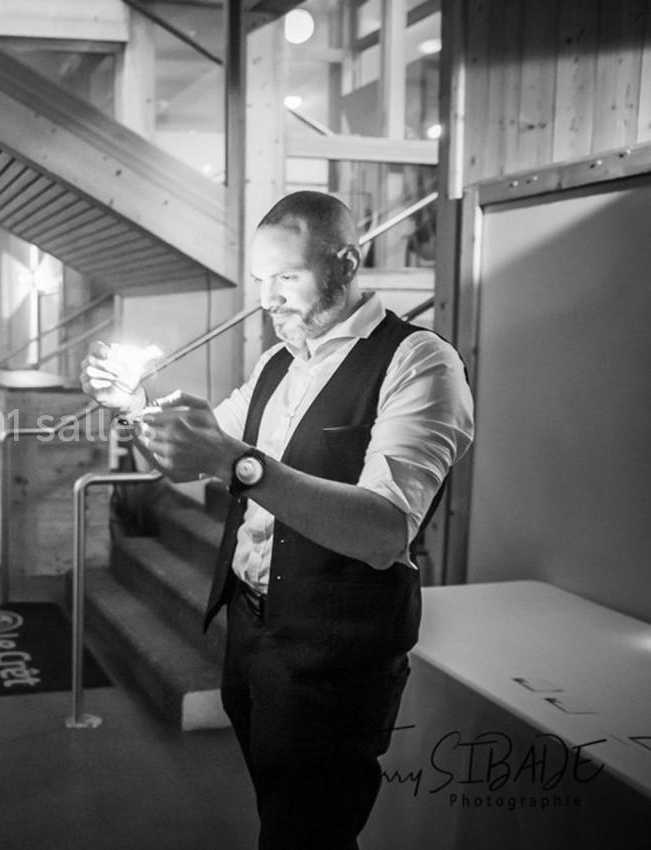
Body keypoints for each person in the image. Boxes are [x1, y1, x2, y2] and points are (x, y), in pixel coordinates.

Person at [81, 191, 474, 850]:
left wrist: (238, 463)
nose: (269, 297)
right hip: (252, 629)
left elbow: (384, 531)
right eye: (262, 279)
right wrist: (136, 404)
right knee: (281, 812)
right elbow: (192, 457)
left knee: (308, 832)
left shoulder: (419, 362)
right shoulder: (276, 363)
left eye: (287, 277)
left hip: (335, 652)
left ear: (345, 264)